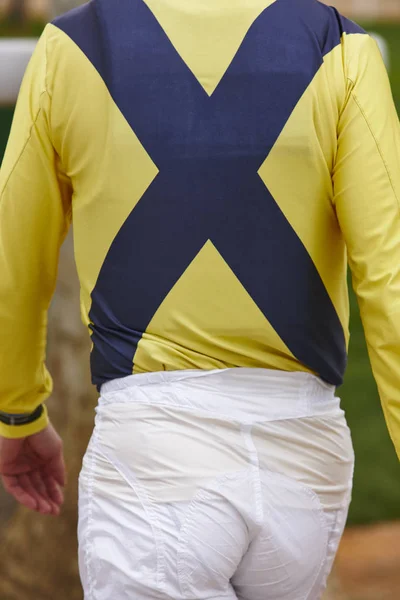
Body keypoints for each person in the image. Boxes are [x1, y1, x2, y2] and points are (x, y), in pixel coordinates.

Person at [0, 0, 399, 598]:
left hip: (152, 458)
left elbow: (14, 258)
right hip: (304, 459)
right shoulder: (339, 45)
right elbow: (390, 278)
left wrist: (19, 412)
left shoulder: (72, 47)